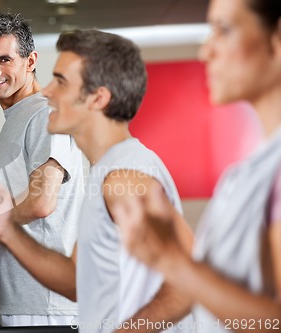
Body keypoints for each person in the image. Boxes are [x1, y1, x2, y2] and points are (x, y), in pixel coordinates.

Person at [0, 29, 194, 333]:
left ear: (97, 97)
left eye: (61, 82)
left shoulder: (126, 174)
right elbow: (76, 281)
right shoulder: (107, 170)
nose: (47, 92)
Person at [113, 0, 281, 332]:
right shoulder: (246, 172)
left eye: (223, 30)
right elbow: (208, 294)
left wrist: (172, 262)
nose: (206, 51)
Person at [0, 11, 85, 326]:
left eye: (4, 60)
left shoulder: (46, 114)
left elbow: (41, 202)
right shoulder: (20, 117)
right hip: (18, 301)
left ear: (30, 60)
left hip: (39, 306)